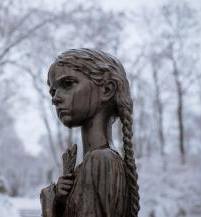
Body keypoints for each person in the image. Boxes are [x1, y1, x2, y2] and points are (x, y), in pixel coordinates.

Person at [40, 48, 140, 217]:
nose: (55, 98)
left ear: (107, 89)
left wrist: (48, 208)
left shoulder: (100, 160)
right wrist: (61, 204)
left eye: (67, 84)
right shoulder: (95, 162)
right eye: (53, 91)